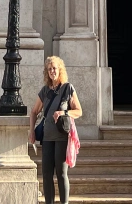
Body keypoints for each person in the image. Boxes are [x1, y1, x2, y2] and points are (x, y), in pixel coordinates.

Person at [29, 56, 83, 204]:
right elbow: (34, 112)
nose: (52, 71)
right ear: (47, 72)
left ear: (60, 70)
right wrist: (32, 131)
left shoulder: (68, 88)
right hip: (47, 137)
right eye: (50, 69)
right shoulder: (45, 91)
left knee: (61, 173)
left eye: (55, 68)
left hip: (62, 137)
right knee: (46, 174)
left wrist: (64, 113)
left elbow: (79, 111)